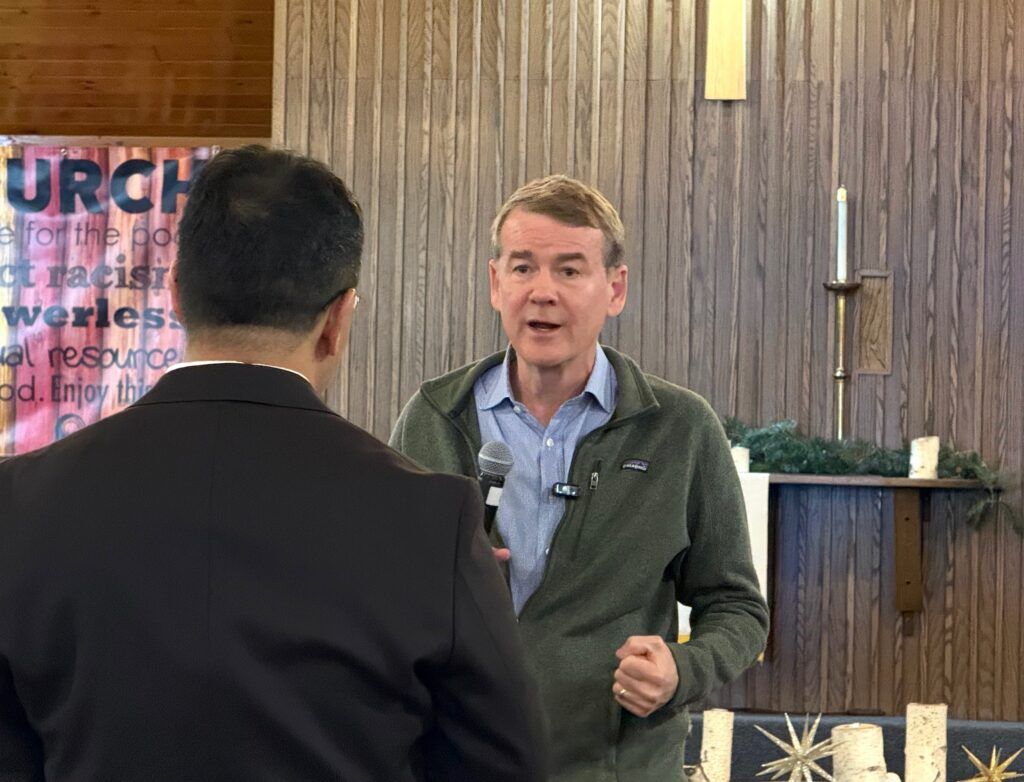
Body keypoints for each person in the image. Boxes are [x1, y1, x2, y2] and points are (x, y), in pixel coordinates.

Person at [0, 146, 548, 781]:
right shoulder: (433, 519)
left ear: (176, 293)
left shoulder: (20, 502)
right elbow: (505, 766)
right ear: (339, 319)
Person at [390, 174, 769, 781]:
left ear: (614, 290)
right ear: (495, 283)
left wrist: (681, 670)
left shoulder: (679, 429)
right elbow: (384, 597)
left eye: (569, 270)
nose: (542, 292)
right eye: (522, 268)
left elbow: (739, 610)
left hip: (615, 768)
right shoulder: (434, 420)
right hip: (458, 762)